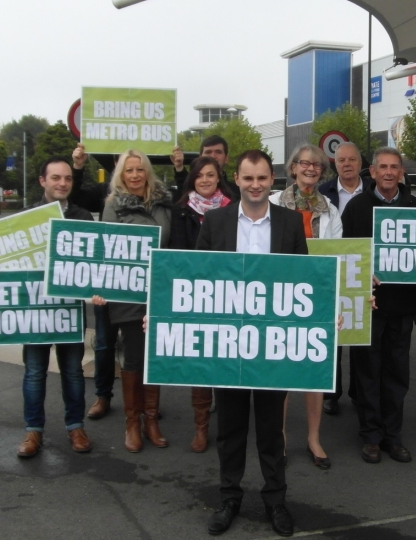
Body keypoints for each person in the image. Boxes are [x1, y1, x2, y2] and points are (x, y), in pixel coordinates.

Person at [197, 150, 306, 537]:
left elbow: (304, 282)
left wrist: (324, 314)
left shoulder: (292, 223)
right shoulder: (214, 222)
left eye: (262, 178)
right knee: (229, 428)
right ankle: (229, 497)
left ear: (272, 180)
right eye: (248, 178)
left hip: (273, 346)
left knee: (271, 430)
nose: (256, 185)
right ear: (236, 180)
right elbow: (197, 282)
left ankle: (275, 500)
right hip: (228, 345)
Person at [0, 157, 94, 458]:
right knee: (34, 372)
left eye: (68, 179)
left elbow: (94, 267)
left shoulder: (83, 217)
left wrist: (99, 291)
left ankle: (76, 426)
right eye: (56, 178)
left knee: (73, 372)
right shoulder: (22, 221)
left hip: (68, 312)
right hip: (32, 313)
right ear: (42, 181)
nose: (62, 183)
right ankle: (33, 431)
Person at [340, 147, 416, 465]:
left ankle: (393, 436)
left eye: (395, 168)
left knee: (397, 375)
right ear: (372, 172)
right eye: (383, 167)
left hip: (403, 306)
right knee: (367, 373)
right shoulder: (356, 209)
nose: (389, 173)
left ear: (402, 173)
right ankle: (371, 436)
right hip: (367, 305)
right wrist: (362, 273)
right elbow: (346, 255)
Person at [270, 143, 342, 471]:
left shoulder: (330, 210)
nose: (310, 168)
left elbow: (340, 255)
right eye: (304, 163)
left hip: (318, 294)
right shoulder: (273, 203)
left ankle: (314, 439)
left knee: (315, 368)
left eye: (316, 165)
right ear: (294, 167)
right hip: (282, 293)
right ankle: (280, 436)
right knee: (283, 367)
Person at [95, 149, 172, 452]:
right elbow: (104, 249)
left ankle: (151, 420)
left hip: (159, 289)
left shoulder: (164, 204)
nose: (136, 175)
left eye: (140, 170)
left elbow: (172, 246)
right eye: (129, 171)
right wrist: (100, 287)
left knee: (155, 357)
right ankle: (132, 422)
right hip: (127, 290)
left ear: (148, 172)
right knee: (133, 356)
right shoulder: (113, 206)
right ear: (121, 175)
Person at [169, 156, 234, 453]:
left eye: (211, 175)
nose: (205, 180)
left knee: (226, 360)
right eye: (200, 176)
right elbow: (178, 254)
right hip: (197, 293)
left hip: (230, 293)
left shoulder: (234, 207)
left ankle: (230, 427)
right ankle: (200, 428)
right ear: (192, 179)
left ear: (219, 178)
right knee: (200, 361)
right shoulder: (181, 211)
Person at [317, 141, 371, 415]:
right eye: (341, 160)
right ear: (334, 164)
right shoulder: (322, 194)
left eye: (352, 159)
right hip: (332, 270)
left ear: (360, 165)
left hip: (365, 271)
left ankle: (359, 391)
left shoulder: (372, 192)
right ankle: (332, 393)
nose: (347, 164)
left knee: (360, 335)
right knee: (334, 336)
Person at [70, 143, 118, 420]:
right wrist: (77, 166)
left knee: (142, 345)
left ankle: (148, 403)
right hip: (105, 279)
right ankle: (103, 396)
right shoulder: (102, 192)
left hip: (139, 282)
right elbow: (74, 196)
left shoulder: (152, 194)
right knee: (103, 342)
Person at [171, 135, 240, 200]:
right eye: (208, 152)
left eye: (218, 152)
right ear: (200, 157)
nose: (213, 156)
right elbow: (183, 186)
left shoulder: (237, 193)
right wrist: (179, 166)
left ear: (226, 159)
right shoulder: (188, 193)